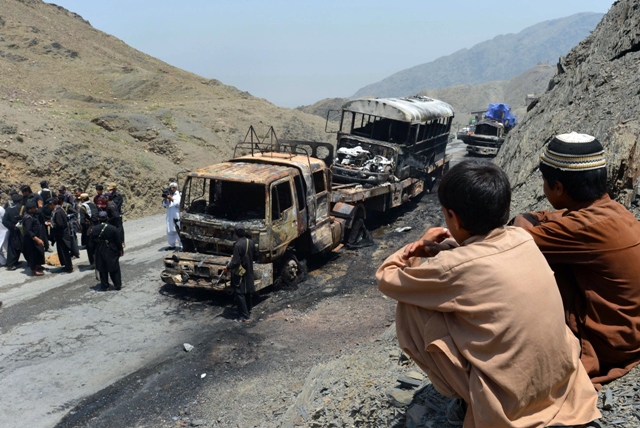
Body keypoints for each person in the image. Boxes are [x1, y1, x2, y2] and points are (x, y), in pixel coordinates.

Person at [376, 160, 600, 427]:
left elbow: (387, 279)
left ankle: (465, 397)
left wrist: (415, 248)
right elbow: (478, 255)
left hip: (509, 404)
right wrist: (446, 247)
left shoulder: (452, 268)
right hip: (561, 382)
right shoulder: (521, 237)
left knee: (411, 306)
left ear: (453, 217)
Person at [513, 132, 640, 387]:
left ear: (558, 187)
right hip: (632, 335)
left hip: (611, 346)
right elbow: (559, 217)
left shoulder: (580, 229)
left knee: (527, 256)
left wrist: (521, 220)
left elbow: (515, 239)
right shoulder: (615, 212)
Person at [222, 224, 257, 322]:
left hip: (240, 273)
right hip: (249, 271)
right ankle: (248, 310)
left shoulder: (237, 245)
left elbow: (235, 261)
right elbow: (255, 255)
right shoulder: (251, 242)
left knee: (239, 293)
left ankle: (244, 316)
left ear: (236, 234)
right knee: (247, 292)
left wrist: (227, 268)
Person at [90, 211, 123, 291]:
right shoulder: (113, 228)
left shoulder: (94, 229)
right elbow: (118, 241)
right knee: (114, 268)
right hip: (111, 250)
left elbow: (91, 243)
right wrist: (120, 250)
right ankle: (117, 285)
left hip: (99, 250)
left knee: (102, 268)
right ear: (107, 218)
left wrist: (93, 252)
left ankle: (105, 286)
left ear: (98, 219)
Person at [48, 198, 74, 273]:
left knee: (64, 251)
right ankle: (66, 265)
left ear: (52, 204)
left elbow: (60, 224)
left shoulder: (58, 212)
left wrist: (51, 224)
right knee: (62, 251)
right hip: (61, 235)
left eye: (49, 205)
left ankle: (69, 267)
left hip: (62, 235)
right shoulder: (59, 209)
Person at [22, 200, 45, 276]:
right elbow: (29, 231)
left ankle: (38, 265)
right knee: (32, 254)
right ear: (30, 209)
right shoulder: (28, 218)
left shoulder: (32, 214)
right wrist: (37, 239)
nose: (36, 209)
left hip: (35, 237)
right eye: (35, 208)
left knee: (38, 252)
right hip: (31, 239)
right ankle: (34, 270)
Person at [2, 194, 25, 270]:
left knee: (13, 248)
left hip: (13, 231)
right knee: (25, 246)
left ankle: (13, 263)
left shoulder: (8, 209)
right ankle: (11, 265)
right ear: (20, 201)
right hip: (23, 231)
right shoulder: (23, 208)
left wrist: (13, 226)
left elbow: (4, 221)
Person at [79, 193, 99, 265]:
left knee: (90, 246)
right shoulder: (94, 205)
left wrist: (84, 228)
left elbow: (82, 221)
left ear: (83, 199)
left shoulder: (83, 208)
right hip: (97, 226)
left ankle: (93, 262)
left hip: (89, 228)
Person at [162, 182, 182, 250]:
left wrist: (171, 198)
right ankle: (172, 245)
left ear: (176, 188)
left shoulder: (178, 195)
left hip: (176, 214)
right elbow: (165, 205)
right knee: (169, 230)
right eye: (171, 187)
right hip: (170, 214)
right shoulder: (169, 194)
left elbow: (178, 203)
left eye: (173, 187)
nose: (172, 189)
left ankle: (181, 245)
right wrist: (165, 198)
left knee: (178, 230)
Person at [0, 200, 8, 266]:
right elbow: (5, 219)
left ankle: (4, 262)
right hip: (3, 230)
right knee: (8, 246)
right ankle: (9, 261)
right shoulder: (1, 209)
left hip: (2, 230)